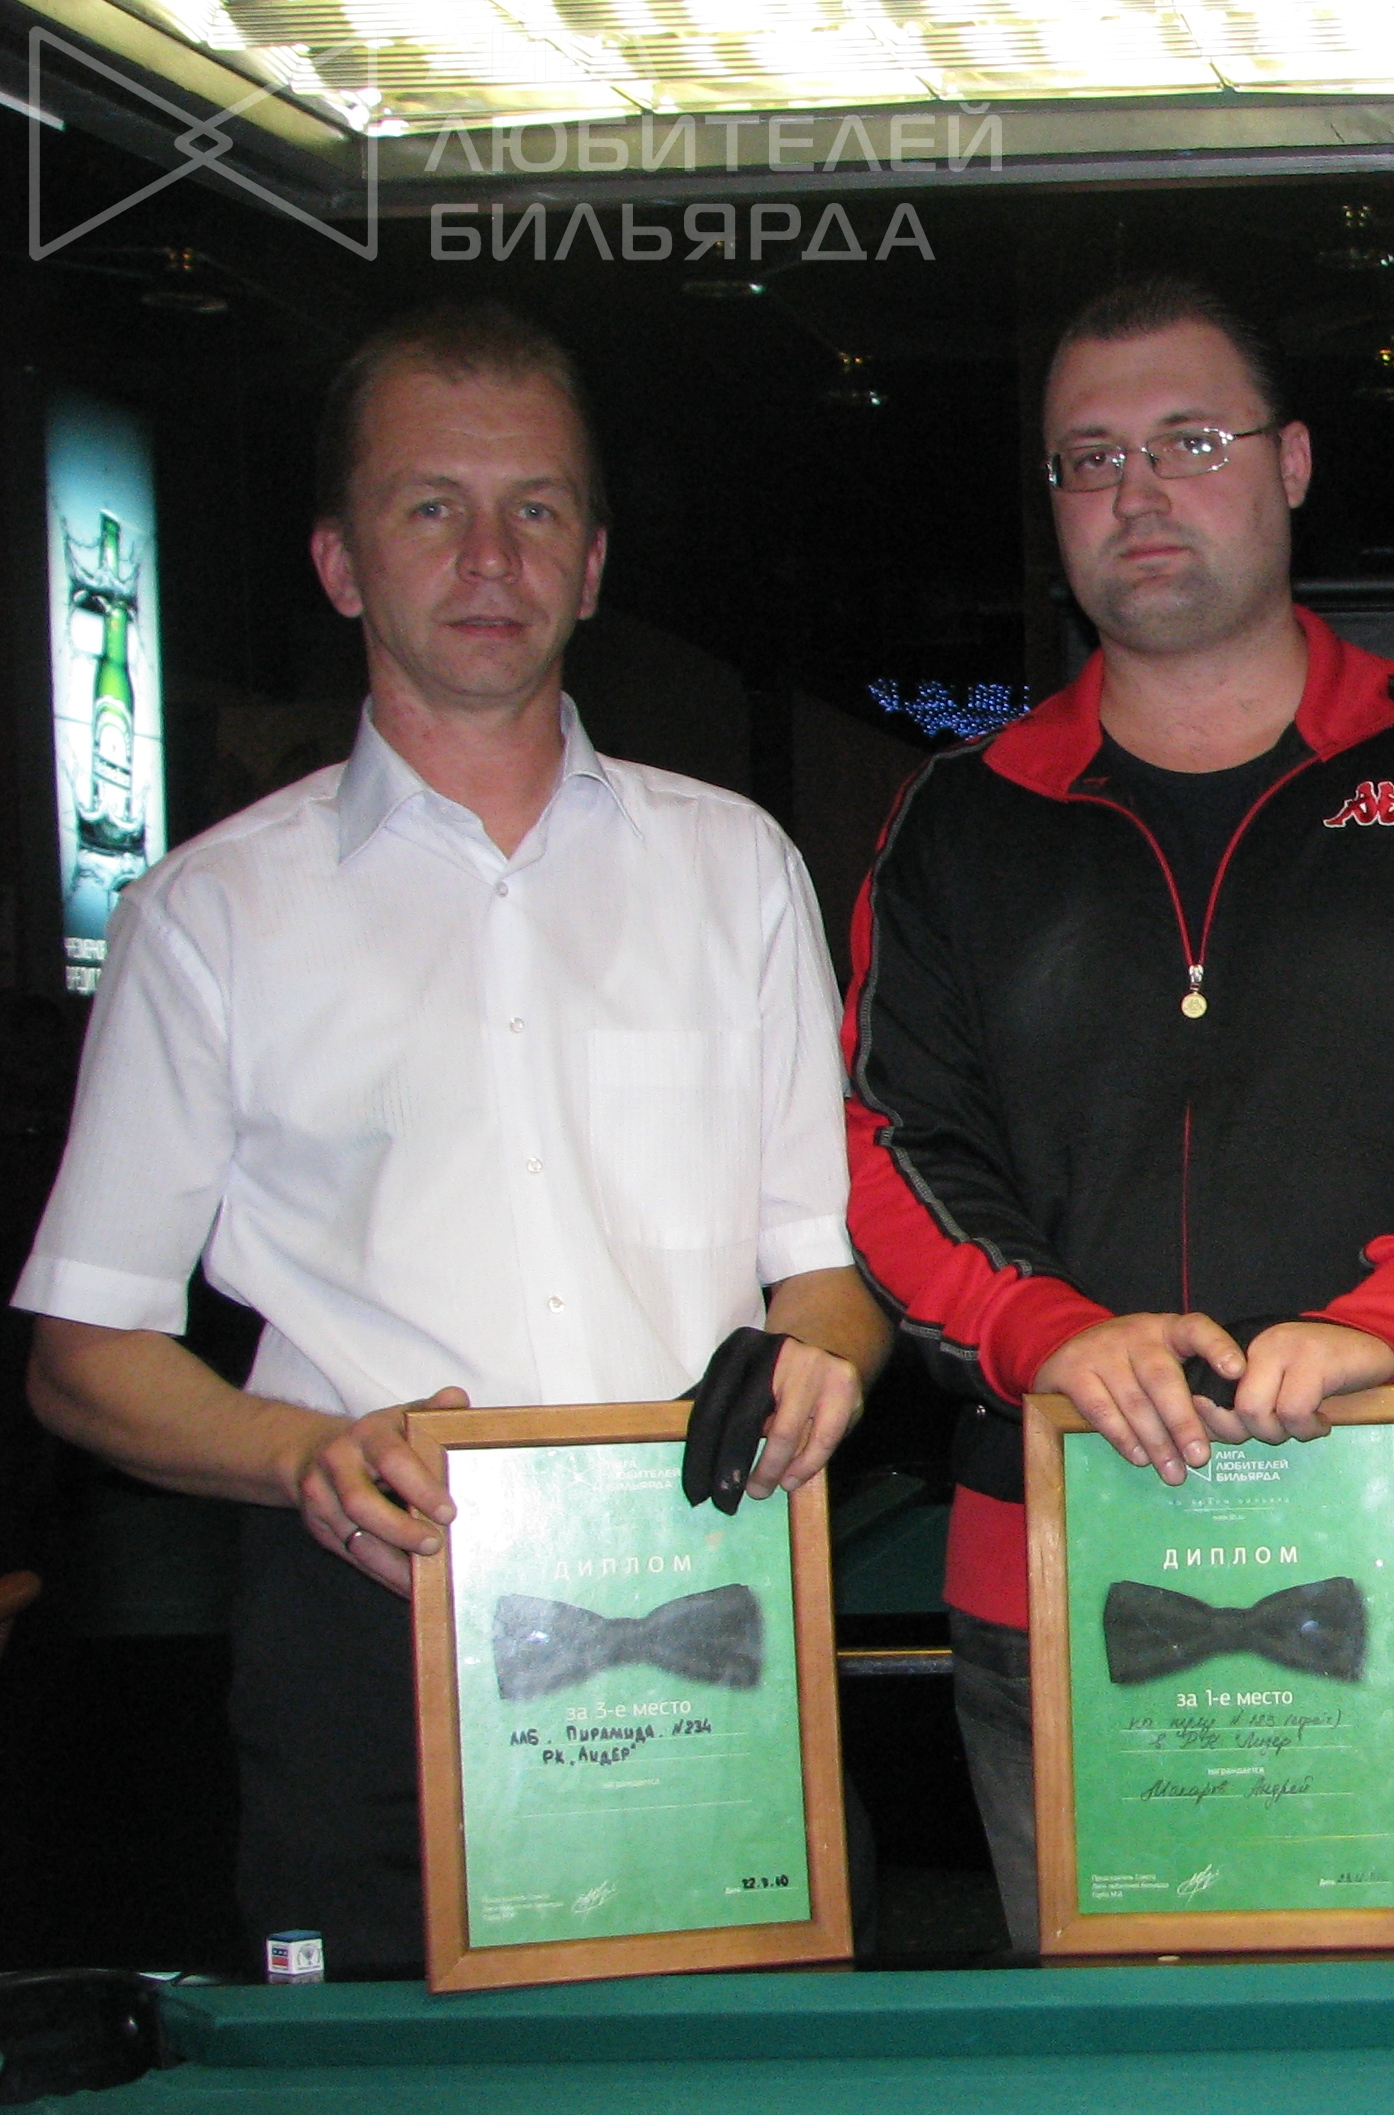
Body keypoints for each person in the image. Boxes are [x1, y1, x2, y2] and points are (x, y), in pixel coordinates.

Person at [17, 299, 887, 1976]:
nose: (491, 555)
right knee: (384, 2099)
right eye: (432, 506)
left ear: (594, 562)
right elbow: (81, 1353)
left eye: (536, 508)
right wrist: (300, 1456)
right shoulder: (208, 913)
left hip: (708, 1586)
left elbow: (823, 1277)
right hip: (369, 1632)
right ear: (341, 562)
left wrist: (825, 1368)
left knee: (752, 2101)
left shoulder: (738, 869)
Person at [842, 276, 1394, 1953]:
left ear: (1290, 464)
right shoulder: (955, 822)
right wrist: (1044, 1330)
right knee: (1128, 2106)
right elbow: (888, 1143)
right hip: (1054, 1598)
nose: (1138, 491)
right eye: (1091, 458)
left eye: (1189, 441)